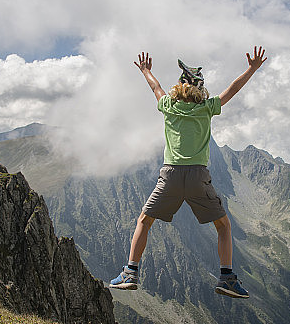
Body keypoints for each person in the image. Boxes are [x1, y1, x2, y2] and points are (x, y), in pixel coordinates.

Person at [109, 46, 267, 298]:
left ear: (179, 87)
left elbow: (155, 87)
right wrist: (252, 69)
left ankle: (130, 272)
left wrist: (145, 70)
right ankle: (227, 278)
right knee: (223, 226)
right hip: (198, 177)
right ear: (200, 89)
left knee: (144, 221)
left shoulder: (168, 105)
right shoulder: (207, 107)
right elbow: (233, 90)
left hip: (170, 175)